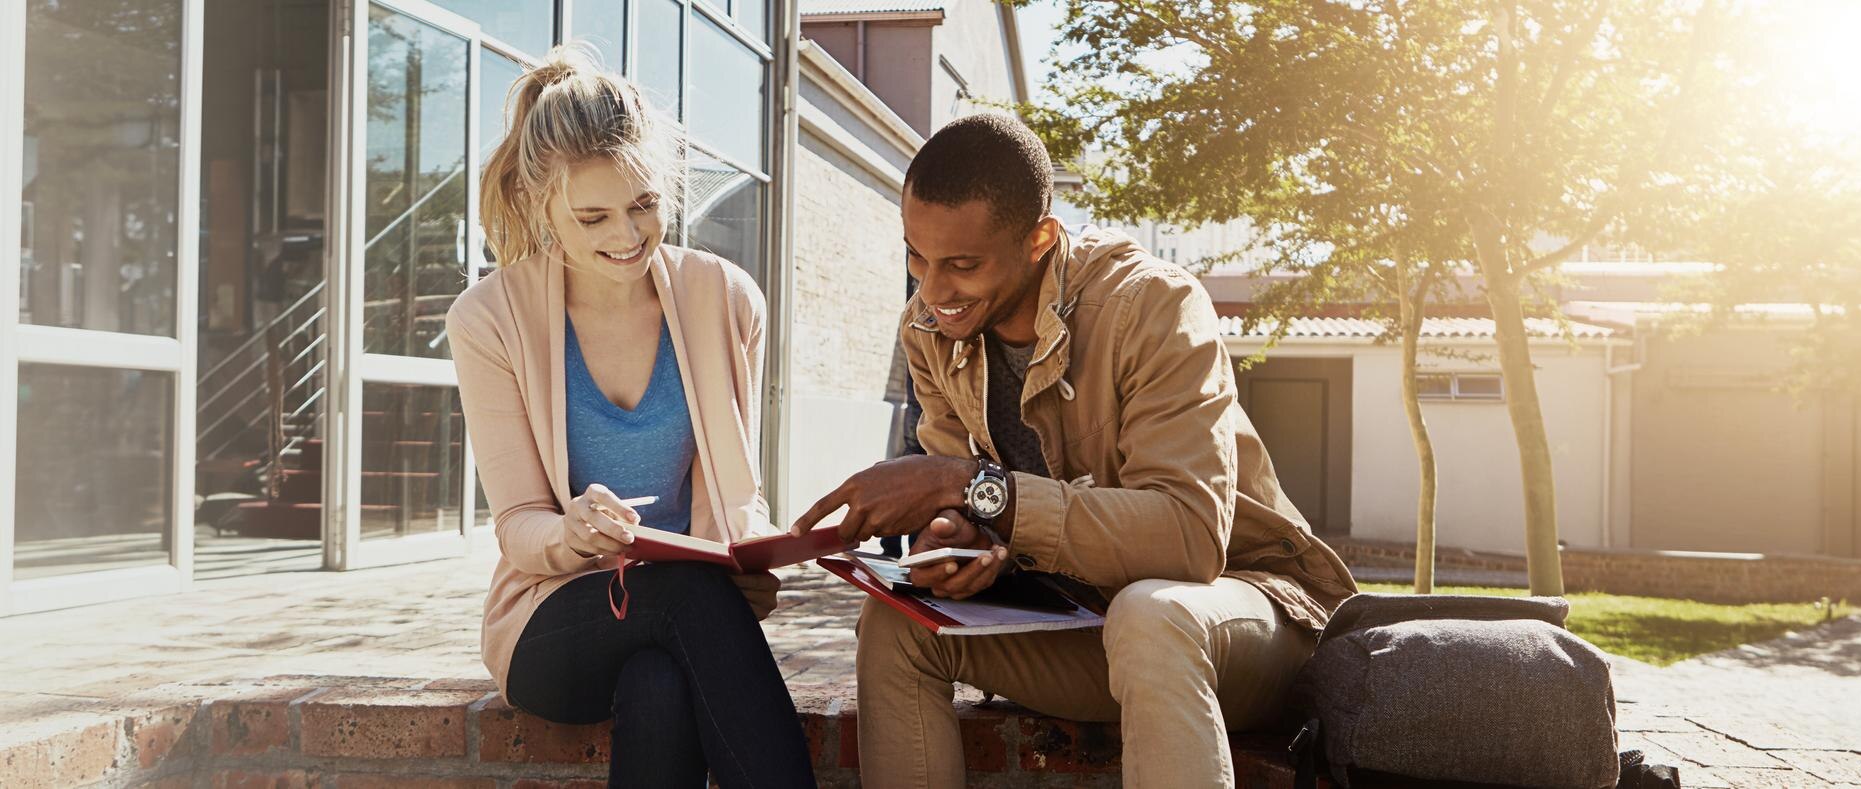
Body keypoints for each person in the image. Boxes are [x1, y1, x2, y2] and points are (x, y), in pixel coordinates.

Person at [790, 112, 1360, 788]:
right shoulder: (930, 331)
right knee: (896, 624)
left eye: (962, 264)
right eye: (916, 256)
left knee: (1152, 612)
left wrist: (975, 488)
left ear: (1039, 239)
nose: (933, 291)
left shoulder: (1153, 306)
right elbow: (969, 501)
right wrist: (960, 544)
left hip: (1245, 617)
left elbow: (1189, 540)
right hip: (1089, 618)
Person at [447, 46, 814, 788]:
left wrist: (754, 563)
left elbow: (735, 497)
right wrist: (571, 530)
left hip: (686, 616)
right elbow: (519, 522)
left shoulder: (727, 298)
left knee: (660, 681)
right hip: (551, 620)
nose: (627, 235)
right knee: (680, 592)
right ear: (541, 203)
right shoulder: (489, 317)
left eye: (643, 204)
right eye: (593, 216)